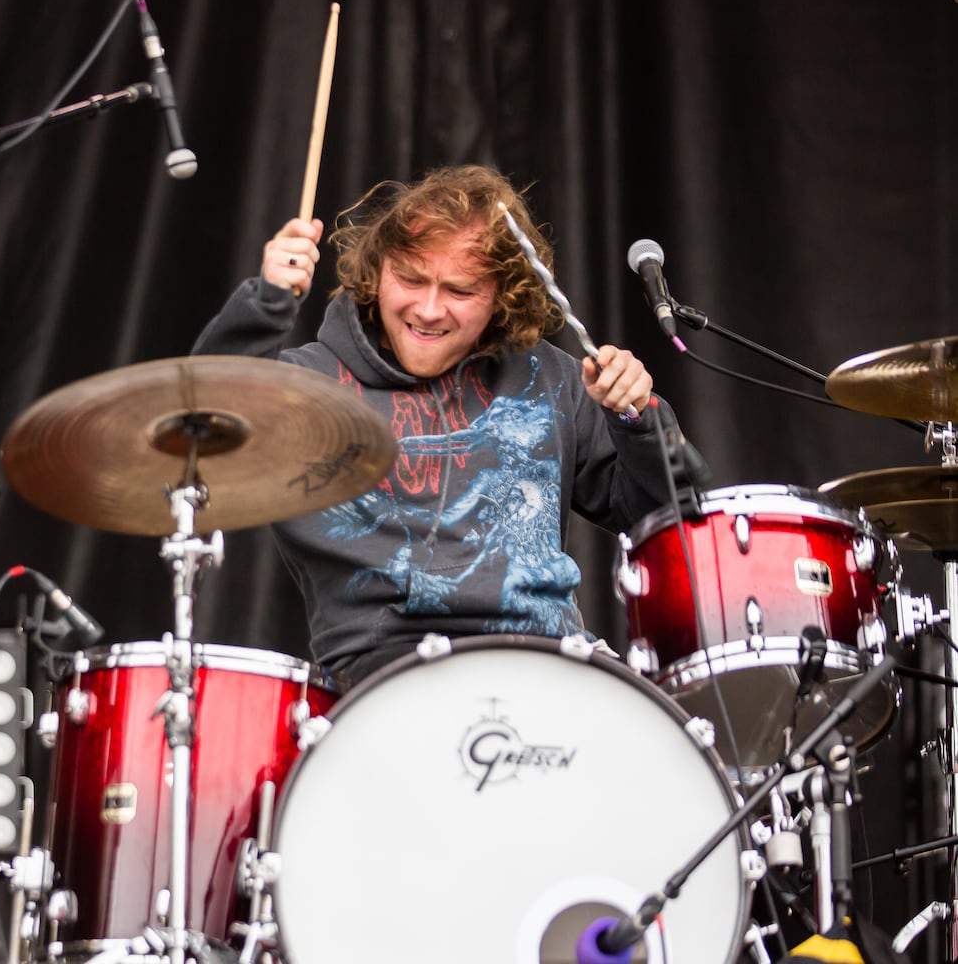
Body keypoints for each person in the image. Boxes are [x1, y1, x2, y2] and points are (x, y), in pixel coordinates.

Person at [192, 164, 681, 685]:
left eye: (460, 290)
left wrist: (636, 419)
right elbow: (198, 436)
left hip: (552, 671)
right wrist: (264, 304)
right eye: (410, 278)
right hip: (383, 683)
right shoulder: (307, 384)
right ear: (376, 271)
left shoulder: (553, 376)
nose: (427, 309)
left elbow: (667, 522)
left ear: (502, 296)